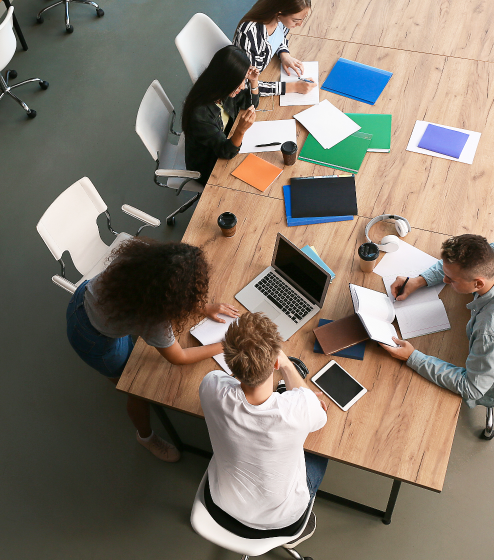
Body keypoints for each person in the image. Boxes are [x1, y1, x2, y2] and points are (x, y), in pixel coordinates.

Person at [66, 239, 239, 462]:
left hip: (81, 298)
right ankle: (145, 437)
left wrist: (202, 307)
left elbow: (166, 288)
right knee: (135, 389)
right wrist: (224, 345)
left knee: (132, 371)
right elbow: (179, 357)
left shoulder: (140, 257)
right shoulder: (154, 322)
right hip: (94, 340)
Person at [199, 312, 329, 547]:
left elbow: (225, 380)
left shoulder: (210, 386)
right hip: (281, 521)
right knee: (321, 455)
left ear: (231, 366)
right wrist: (288, 366)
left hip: (219, 505)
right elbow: (319, 416)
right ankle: (296, 533)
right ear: (275, 363)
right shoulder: (300, 408)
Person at [379, 235, 494, 409]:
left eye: (451, 280)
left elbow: (472, 388)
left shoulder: (491, 331)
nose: (445, 280)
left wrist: (412, 357)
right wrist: (419, 281)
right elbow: (456, 267)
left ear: (478, 284)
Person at [183, 45, 261, 186]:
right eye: (240, 81)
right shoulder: (200, 115)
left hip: (225, 143)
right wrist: (240, 130)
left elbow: (250, 103)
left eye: (244, 79)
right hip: (208, 167)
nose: (243, 86)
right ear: (226, 81)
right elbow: (226, 151)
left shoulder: (221, 91)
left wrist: (253, 81)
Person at [233, 0, 315, 97]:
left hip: (266, 72)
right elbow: (246, 83)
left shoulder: (280, 20)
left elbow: (279, 36)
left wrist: (284, 54)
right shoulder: (249, 35)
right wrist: (293, 87)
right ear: (279, 12)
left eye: (302, 19)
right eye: (295, 20)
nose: (300, 24)